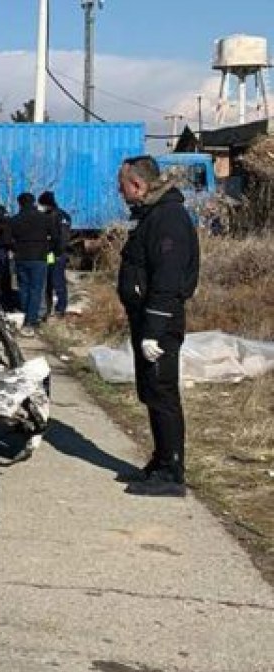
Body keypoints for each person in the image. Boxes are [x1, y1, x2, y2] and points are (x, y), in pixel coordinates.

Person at [115, 155, 199, 498]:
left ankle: (171, 470)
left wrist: (154, 329)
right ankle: (161, 459)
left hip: (160, 323)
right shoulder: (153, 215)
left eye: (122, 186)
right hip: (148, 318)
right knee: (150, 391)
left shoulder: (168, 219)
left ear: (137, 185)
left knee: (162, 392)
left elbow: (167, 279)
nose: (119, 193)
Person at [8, 192, 55, 336]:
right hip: (40, 257)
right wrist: (50, 250)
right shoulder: (45, 219)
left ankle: (24, 313)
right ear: (34, 202)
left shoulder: (14, 220)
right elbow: (55, 236)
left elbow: (8, 239)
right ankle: (31, 320)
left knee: (23, 287)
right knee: (36, 288)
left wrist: (16, 249)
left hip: (21, 257)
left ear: (20, 203)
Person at [38, 190, 73, 318]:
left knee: (57, 281)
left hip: (56, 254)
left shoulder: (60, 216)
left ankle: (60, 308)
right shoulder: (50, 215)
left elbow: (63, 238)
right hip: (49, 253)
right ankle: (48, 308)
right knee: (48, 280)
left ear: (47, 204)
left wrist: (57, 252)